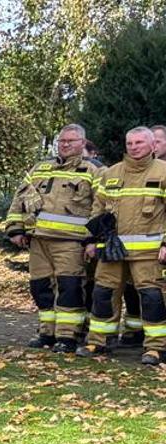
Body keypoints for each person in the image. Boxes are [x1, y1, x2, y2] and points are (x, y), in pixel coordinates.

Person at [6, 124, 98, 352]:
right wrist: (16, 229)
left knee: (70, 287)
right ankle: (47, 332)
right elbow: (20, 198)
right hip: (38, 241)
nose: (65, 144)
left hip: (71, 242)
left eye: (71, 141)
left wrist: (92, 239)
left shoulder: (92, 171)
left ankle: (68, 336)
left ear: (82, 143)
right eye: (62, 141)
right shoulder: (40, 168)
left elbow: (100, 208)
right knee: (40, 287)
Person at [82, 126, 166, 363]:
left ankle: (156, 348)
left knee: (151, 297)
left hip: (148, 252)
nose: (134, 147)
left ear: (152, 145)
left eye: (139, 143)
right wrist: (93, 239)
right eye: (130, 143)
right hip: (112, 249)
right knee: (103, 293)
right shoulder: (111, 173)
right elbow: (98, 207)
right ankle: (99, 342)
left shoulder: (163, 172)